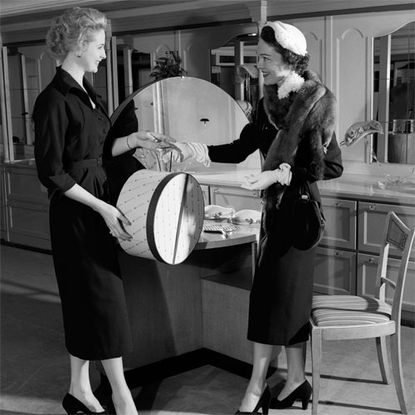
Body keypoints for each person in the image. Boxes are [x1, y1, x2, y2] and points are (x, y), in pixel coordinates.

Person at [166, 20, 343, 413]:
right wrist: (194, 149)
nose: (257, 63)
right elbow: (240, 146)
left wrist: (278, 173)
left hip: (300, 219)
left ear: (288, 59)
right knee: (285, 302)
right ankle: (296, 381)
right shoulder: (268, 102)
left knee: (271, 302)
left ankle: (255, 387)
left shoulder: (318, 101)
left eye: (264, 57)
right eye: (258, 57)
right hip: (275, 215)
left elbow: (330, 168)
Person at [32, 7, 173, 415]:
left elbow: (96, 154)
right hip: (76, 214)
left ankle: (78, 388)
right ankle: (123, 396)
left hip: (96, 205)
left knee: (84, 301)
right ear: (78, 46)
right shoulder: (53, 100)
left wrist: (133, 139)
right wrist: (102, 209)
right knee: (104, 302)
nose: (104, 55)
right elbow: (51, 172)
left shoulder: (89, 94)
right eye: (99, 46)